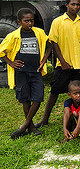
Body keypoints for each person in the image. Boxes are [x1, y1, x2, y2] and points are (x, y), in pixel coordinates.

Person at [36, 0, 80, 128]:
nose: (76, 7)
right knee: (55, 91)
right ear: (66, 5)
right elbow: (54, 43)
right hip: (64, 65)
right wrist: (63, 61)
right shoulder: (58, 22)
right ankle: (45, 119)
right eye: (73, 4)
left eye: (78, 4)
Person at [1, 8, 51, 138]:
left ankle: (24, 125)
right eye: (26, 21)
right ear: (19, 22)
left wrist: (43, 61)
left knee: (38, 97)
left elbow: (50, 44)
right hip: (21, 72)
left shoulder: (39, 33)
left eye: (32, 20)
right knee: (25, 99)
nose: (30, 23)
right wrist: (11, 63)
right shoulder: (13, 36)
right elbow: (1, 51)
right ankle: (31, 127)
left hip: (36, 71)